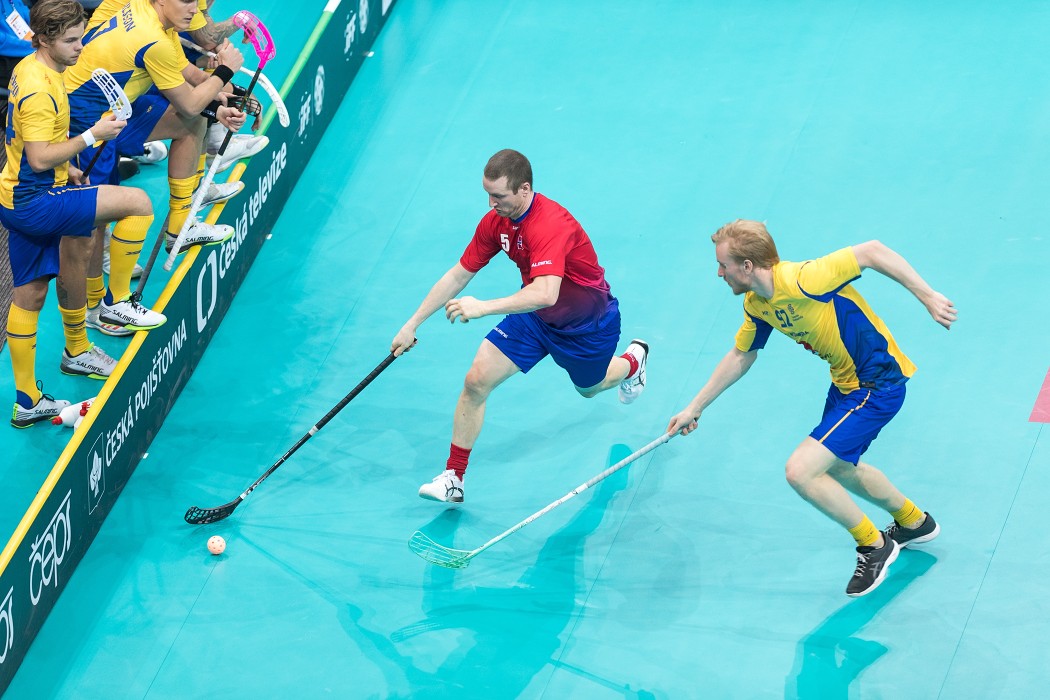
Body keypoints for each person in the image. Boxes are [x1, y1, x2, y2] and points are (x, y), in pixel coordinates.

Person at [667, 220, 957, 597]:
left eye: (724, 265)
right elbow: (742, 354)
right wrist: (695, 407)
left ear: (748, 266)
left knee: (800, 471)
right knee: (836, 467)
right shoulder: (758, 304)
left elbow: (872, 250)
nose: (719, 273)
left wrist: (928, 296)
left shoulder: (805, 279)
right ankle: (913, 522)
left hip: (877, 383)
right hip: (845, 384)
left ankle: (874, 545)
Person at [391, 149, 649, 504]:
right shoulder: (495, 222)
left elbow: (546, 293)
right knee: (476, 381)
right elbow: (459, 274)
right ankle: (454, 478)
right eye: (487, 194)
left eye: (498, 196)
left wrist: (483, 308)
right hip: (534, 318)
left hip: (586, 327)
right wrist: (412, 324)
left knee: (590, 388)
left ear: (524, 189)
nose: (491, 203)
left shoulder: (550, 224)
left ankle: (634, 362)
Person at [2, 0, 167, 427]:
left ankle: (28, 400)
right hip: (38, 200)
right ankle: (115, 304)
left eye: (81, 37)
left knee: (29, 294)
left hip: (15, 197)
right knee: (138, 204)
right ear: (44, 39)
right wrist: (94, 134)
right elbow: (39, 157)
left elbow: (31, 147)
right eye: (72, 41)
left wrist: (69, 168)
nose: (81, 47)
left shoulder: (32, 68)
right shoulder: (40, 88)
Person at [66, 0, 247, 258]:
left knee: (191, 122)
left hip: (117, 108)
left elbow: (188, 75)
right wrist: (225, 71)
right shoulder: (153, 39)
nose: (195, 9)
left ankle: (181, 228)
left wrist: (222, 103)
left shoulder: (156, 19)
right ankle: (97, 283)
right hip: (86, 122)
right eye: (186, 1)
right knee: (93, 226)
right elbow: (189, 104)